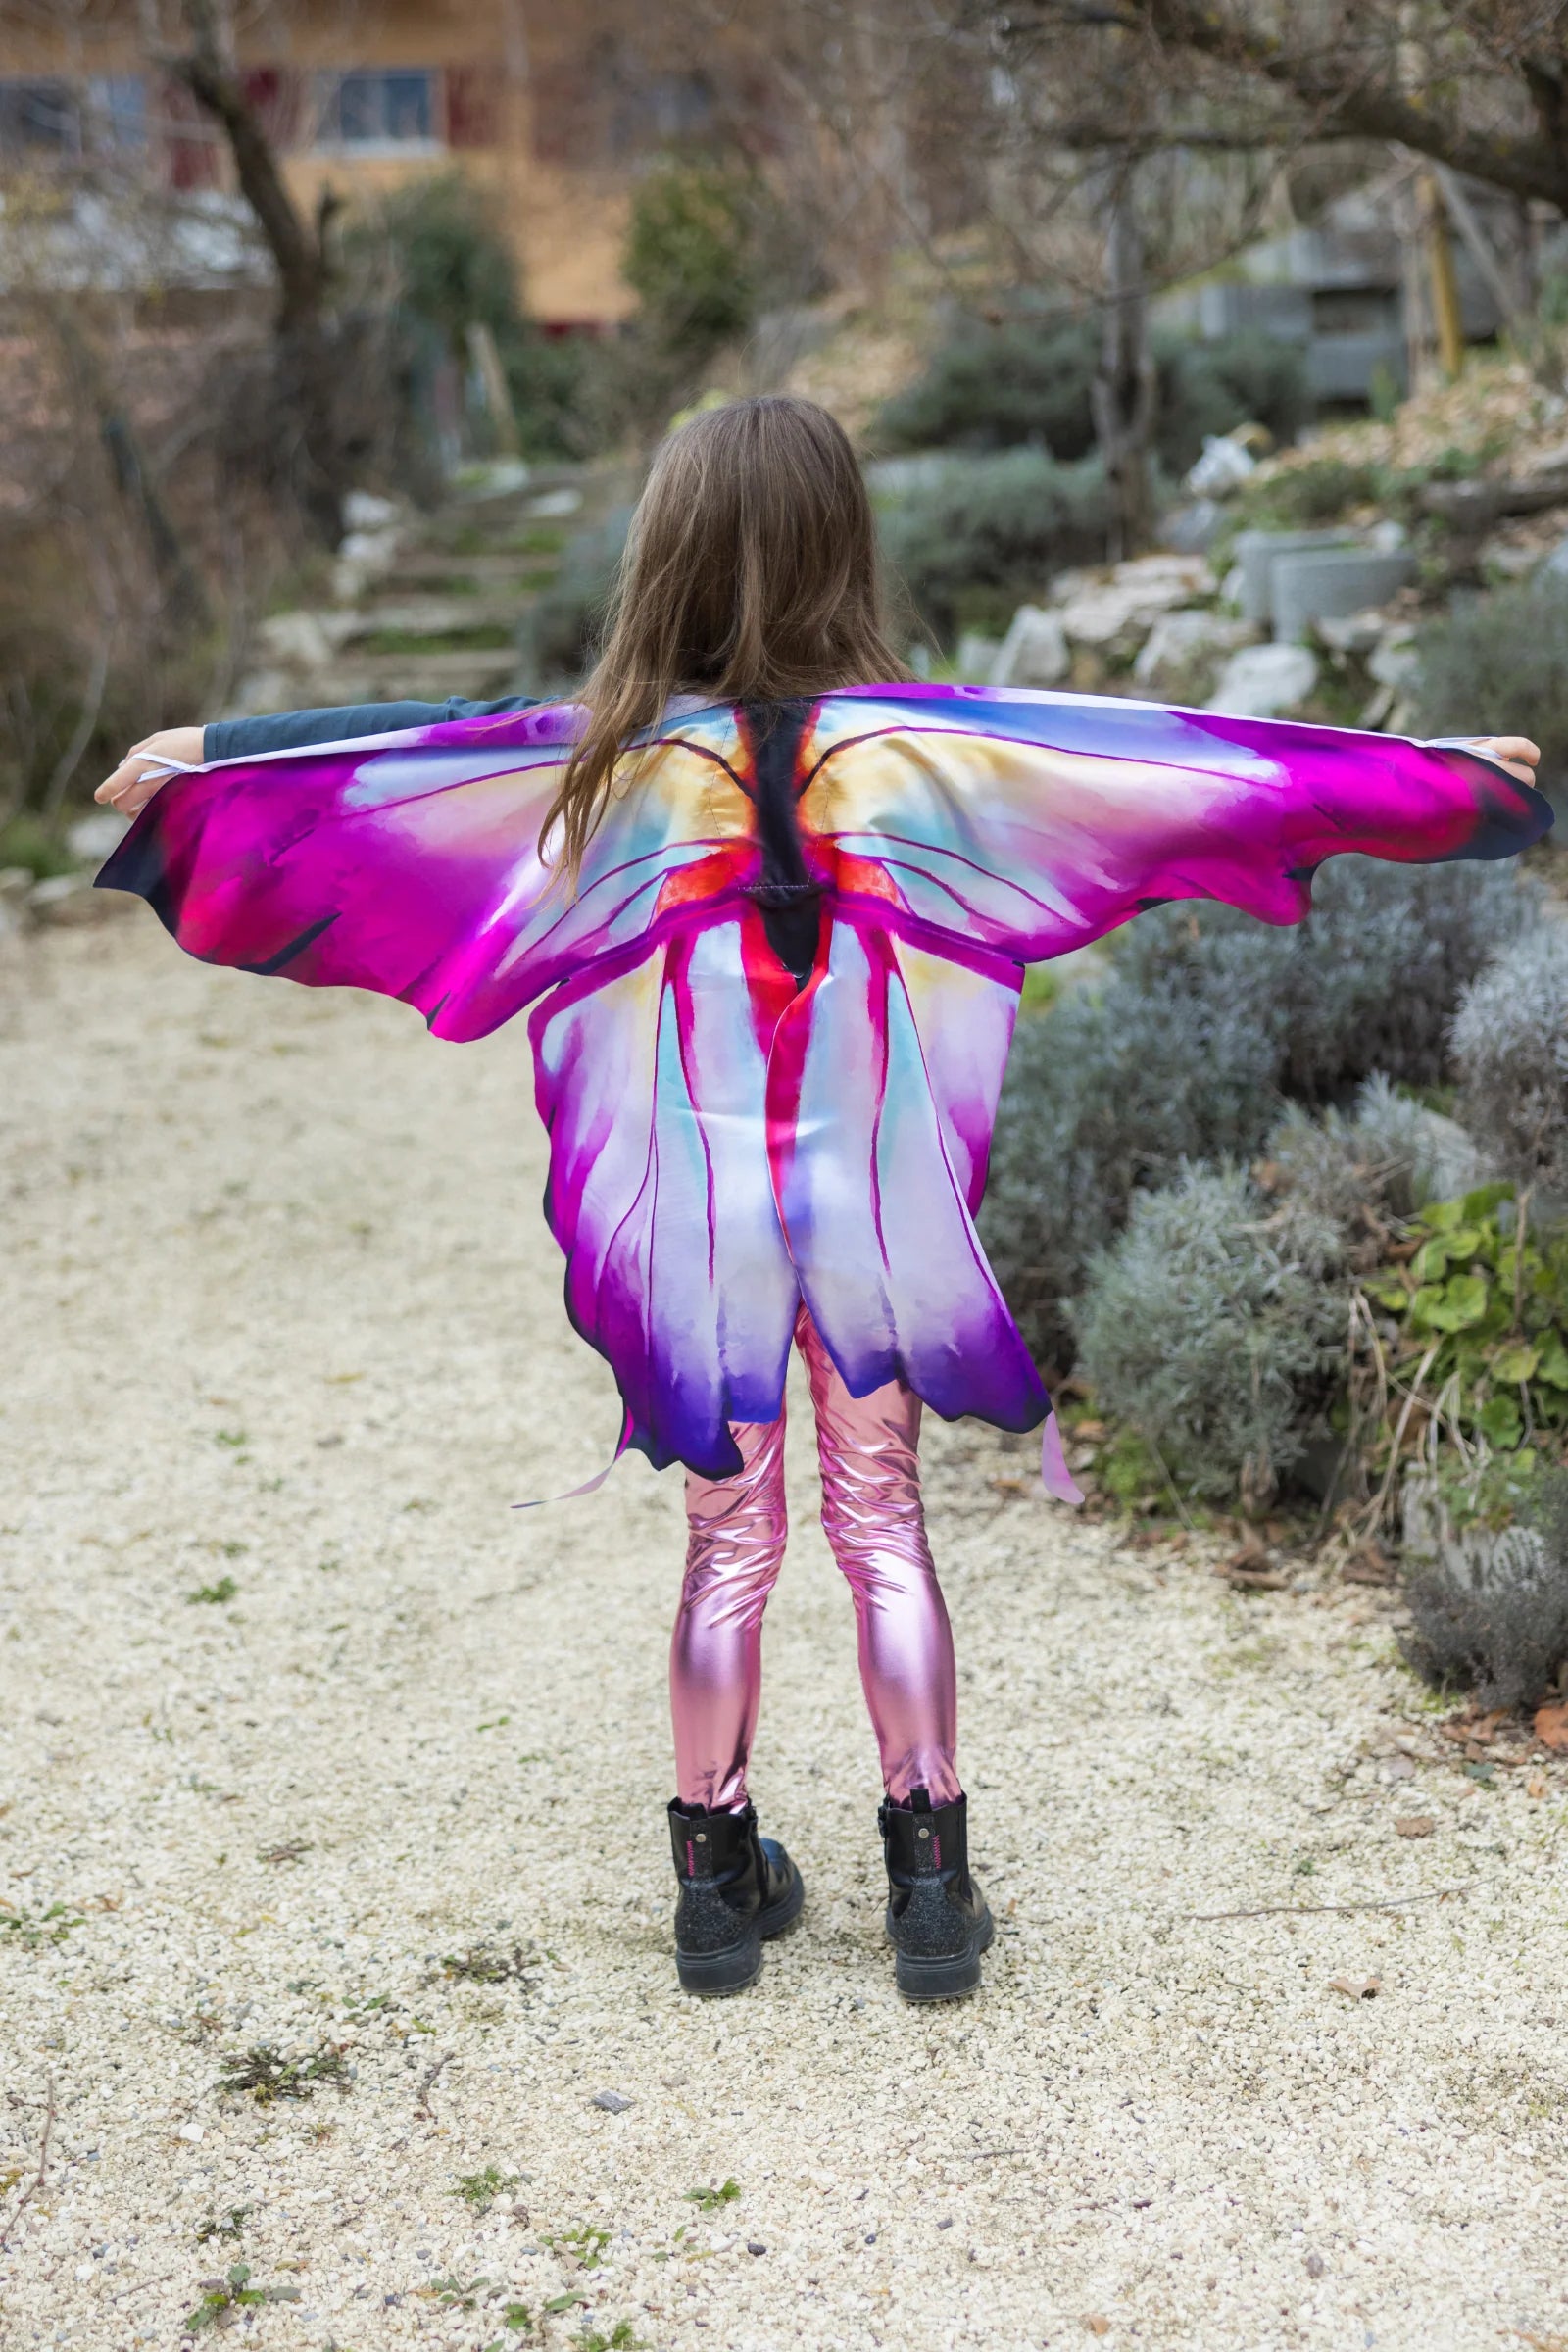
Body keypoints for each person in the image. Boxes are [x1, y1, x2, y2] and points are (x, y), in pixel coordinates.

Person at [97, 395, 1546, 2003]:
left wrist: (207, 760)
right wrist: (1428, 780)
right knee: (884, 1527)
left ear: (665, 557)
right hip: (871, 1225)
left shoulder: (604, 770)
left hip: (702, 1232)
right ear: (841, 549)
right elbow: (1174, 763)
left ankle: (714, 1890)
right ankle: (930, 1885)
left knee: (729, 1545)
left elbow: (405, 754)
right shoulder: (923, 754)